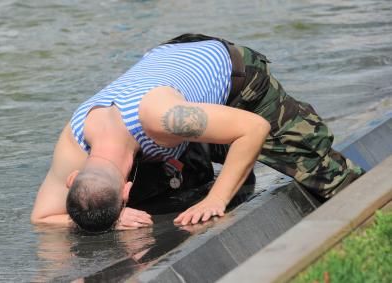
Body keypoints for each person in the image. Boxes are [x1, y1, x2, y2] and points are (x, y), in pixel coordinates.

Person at [30, 34, 364, 232]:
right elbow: (43, 216)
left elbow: (253, 128)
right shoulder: (75, 138)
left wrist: (216, 199)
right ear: (74, 177)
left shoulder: (164, 118)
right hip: (174, 99)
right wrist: (112, 220)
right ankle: (202, 161)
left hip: (232, 77)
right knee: (148, 198)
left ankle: (224, 165)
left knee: (319, 173)